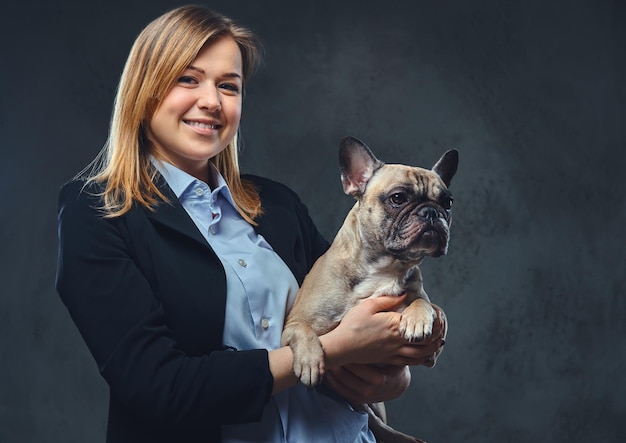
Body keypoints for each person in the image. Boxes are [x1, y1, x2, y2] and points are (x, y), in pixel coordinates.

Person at [55, 5, 447, 443]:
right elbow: (158, 389)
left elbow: (366, 314)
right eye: (188, 78)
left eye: (229, 86)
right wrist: (333, 351)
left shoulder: (276, 204)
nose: (211, 101)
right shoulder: (98, 213)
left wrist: (393, 376)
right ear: (145, 90)